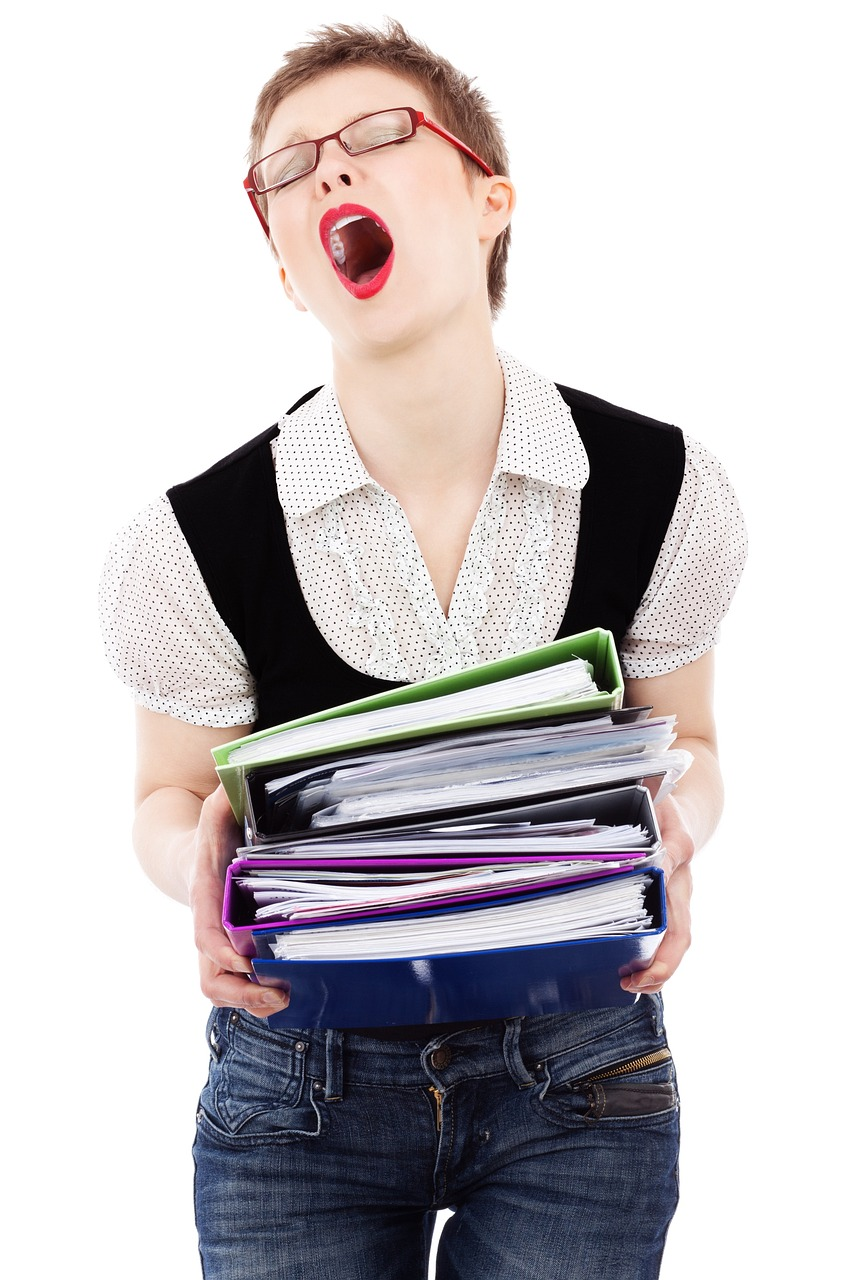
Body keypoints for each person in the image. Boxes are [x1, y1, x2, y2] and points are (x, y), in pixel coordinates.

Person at [100, 20, 746, 1279]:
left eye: (381, 136)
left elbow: (696, 746)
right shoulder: (184, 545)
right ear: (285, 263)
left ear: (489, 199)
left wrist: (676, 821)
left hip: (584, 1071)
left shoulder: (665, 488)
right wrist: (199, 863)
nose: (330, 171)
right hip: (300, 1084)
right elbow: (165, 796)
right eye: (288, 169)